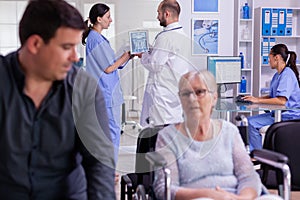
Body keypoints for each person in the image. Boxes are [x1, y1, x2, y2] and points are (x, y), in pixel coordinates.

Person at [0, 0, 116, 199]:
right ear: (35, 44)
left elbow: (99, 161)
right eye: (66, 47)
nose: (74, 57)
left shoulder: (83, 88)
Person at [153, 70, 262, 200]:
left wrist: (240, 198)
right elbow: (165, 189)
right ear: (180, 99)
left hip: (235, 195)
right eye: (186, 94)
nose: (192, 98)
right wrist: (210, 195)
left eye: (199, 92)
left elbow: (249, 177)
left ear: (214, 98)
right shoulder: (167, 137)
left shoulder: (229, 131)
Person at [82, 3, 132, 161]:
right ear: (98, 19)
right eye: (108, 17)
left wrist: (128, 56)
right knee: (112, 133)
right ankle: (110, 171)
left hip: (106, 93)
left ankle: (107, 169)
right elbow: (109, 68)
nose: (111, 21)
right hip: (105, 94)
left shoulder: (97, 38)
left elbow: (112, 64)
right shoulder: (95, 39)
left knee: (109, 132)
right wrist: (127, 54)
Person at [138, 0, 194, 127]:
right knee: (171, 132)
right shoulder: (183, 35)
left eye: (158, 13)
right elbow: (170, 58)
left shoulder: (166, 37)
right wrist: (152, 50)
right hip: (174, 92)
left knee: (159, 135)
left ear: (166, 14)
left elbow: (155, 65)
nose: (157, 16)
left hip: (162, 97)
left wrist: (143, 55)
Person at [243, 43, 300, 151]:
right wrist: (255, 99)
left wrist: (258, 101)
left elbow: (282, 101)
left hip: (289, 116)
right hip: (278, 113)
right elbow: (273, 96)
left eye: (269, 57)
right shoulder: (278, 74)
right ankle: (256, 152)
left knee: (251, 123)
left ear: (276, 57)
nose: (268, 60)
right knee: (248, 120)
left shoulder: (287, 74)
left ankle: (257, 155)